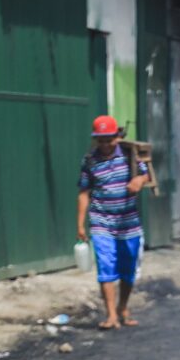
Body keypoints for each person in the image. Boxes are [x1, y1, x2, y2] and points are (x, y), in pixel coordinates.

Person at [77, 115, 150, 330]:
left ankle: (123, 308)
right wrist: (80, 225)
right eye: (100, 140)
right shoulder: (89, 160)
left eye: (109, 139)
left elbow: (147, 175)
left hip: (129, 223)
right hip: (101, 222)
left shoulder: (130, 156)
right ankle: (110, 315)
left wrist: (139, 179)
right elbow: (83, 193)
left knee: (128, 268)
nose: (105, 144)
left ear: (117, 137)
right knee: (106, 268)